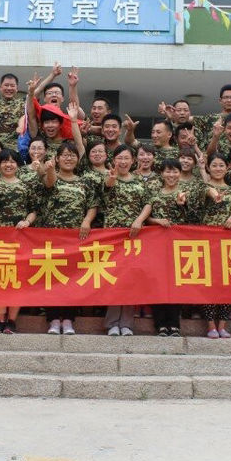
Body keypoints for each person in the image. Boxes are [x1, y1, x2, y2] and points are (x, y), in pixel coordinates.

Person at [42, 142, 98, 335]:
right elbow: (49, 184)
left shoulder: (85, 182)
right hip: (52, 237)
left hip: (75, 239)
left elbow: (93, 205)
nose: (68, 158)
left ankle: (68, 320)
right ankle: (53, 320)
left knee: (72, 279)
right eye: (64, 155)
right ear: (57, 159)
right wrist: (50, 170)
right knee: (52, 278)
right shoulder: (51, 176)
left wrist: (86, 221)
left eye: (72, 155)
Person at [0, 149, 37, 333]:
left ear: (18, 165)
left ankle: (12, 321)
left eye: (12, 161)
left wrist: (27, 222)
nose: (9, 165)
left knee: (16, 280)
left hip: (19, 240)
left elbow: (34, 210)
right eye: (4, 162)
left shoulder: (25, 186)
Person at [102, 144, 151, 336]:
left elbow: (148, 203)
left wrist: (139, 220)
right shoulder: (108, 177)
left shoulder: (139, 181)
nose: (123, 162)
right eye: (119, 158)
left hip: (134, 237)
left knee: (130, 280)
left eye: (126, 158)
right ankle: (112, 323)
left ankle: (127, 324)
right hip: (112, 237)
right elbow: (106, 189)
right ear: (114, 160)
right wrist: (112, 179)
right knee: (114, 278)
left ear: (133, 161)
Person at [196, 153, 231, 338]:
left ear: (227, 167)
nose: (218, 168)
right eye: (214, 165)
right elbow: (207, 192)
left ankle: (222, 325)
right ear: (209, 168)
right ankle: (210, 326)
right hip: (207, 242)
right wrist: (214, 193)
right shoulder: (203, 187)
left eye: (221, 165)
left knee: (227, 284)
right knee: (208, 283)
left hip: (228, 243)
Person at [144, 159, 188, 336]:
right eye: (168, 171)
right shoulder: (154, 194)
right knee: (158, 283)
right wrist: (157, 221)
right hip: (157, 246)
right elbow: (147, 218)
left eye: (175, 171)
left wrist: (182, 205)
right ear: (162, 174)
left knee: (176, 283)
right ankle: (160, 324)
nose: (171, 175)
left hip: (179, 246)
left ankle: (174, 323)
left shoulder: (185, 192)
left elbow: (194, 216)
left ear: (180, 173)